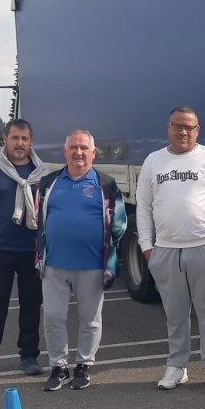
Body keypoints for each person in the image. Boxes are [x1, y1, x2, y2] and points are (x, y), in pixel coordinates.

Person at [136, 107, 205, 392]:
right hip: (166, 251)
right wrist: (147, 248)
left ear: (198, 131)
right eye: (177, 126)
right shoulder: (153, 161)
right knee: (175, 313)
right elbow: (143, 207)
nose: (183, 132)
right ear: (167, 127)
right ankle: (176, 366)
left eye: (189, 127)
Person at [33, 130, 127, 391]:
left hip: (92, 265)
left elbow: (119, 223)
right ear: (65, 152)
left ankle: (84, 365)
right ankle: (59, 367)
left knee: (90, 319)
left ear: (93, 153)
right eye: (73, 147)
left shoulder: (106, 184)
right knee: (53, 317)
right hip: (54, 265)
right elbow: (38, 219)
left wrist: (103, 245)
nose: (78, 152)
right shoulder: (49, 183)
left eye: (84, 148)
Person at [0, 119, 52, 383]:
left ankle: (29, 356)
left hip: (32, 252)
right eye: (15, 138)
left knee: (31, 306)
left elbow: (52, 210)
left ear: (31, 142)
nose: (19, 144)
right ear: (5, 140)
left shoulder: (42, 173)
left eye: (24, 139)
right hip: (0, 250)